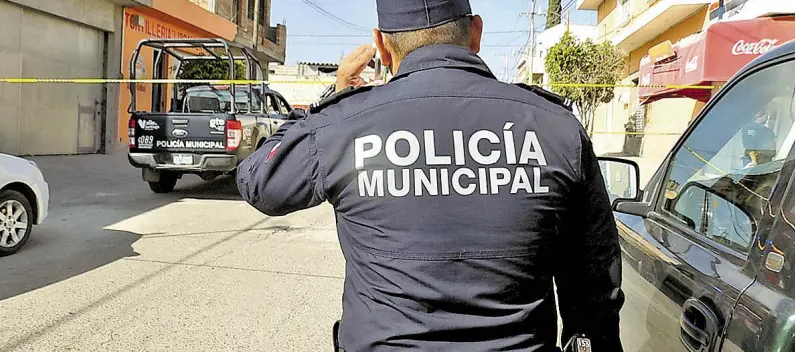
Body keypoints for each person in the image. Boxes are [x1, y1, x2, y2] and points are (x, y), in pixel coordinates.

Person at [236, 1, 624, 351]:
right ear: (476, 32)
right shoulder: (555, 126)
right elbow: (596, 286)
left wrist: (330, 100)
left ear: (382, 47)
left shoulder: (344, 124)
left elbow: (260, 183)